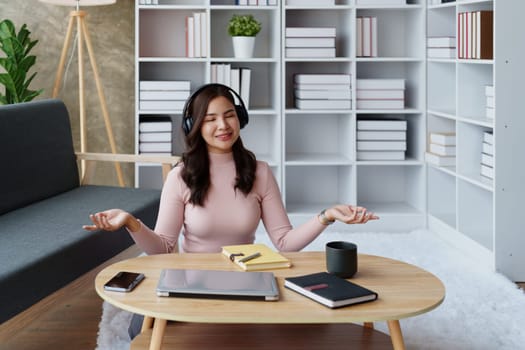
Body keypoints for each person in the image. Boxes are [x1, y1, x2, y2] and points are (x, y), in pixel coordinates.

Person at [83, 83, 379, 338]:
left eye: (229, 116)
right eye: (210, 119)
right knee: (142, 333)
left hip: (246, 280)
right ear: (195, 126)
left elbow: (285, 243)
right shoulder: (181, 176)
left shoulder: (259, 172)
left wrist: (326, 216)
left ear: (241, 119)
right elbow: (163, 248)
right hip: (191, 279)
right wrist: (131, 223)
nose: (223, 126)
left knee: (297, 328)